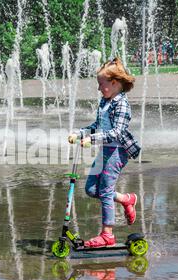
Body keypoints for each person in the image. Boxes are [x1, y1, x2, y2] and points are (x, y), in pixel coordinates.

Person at [67, 57, 141, 248]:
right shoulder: (105, 101)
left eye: (101, 84)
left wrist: (91, 140)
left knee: (106, 191)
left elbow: (116, 132)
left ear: (114, 83)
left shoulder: (122, 104)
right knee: (92, 189)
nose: (99, 88)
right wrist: (81, 132)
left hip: (117, 151)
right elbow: (98, 126)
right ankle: (127, 200)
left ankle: (107, 234)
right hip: (105, 150)